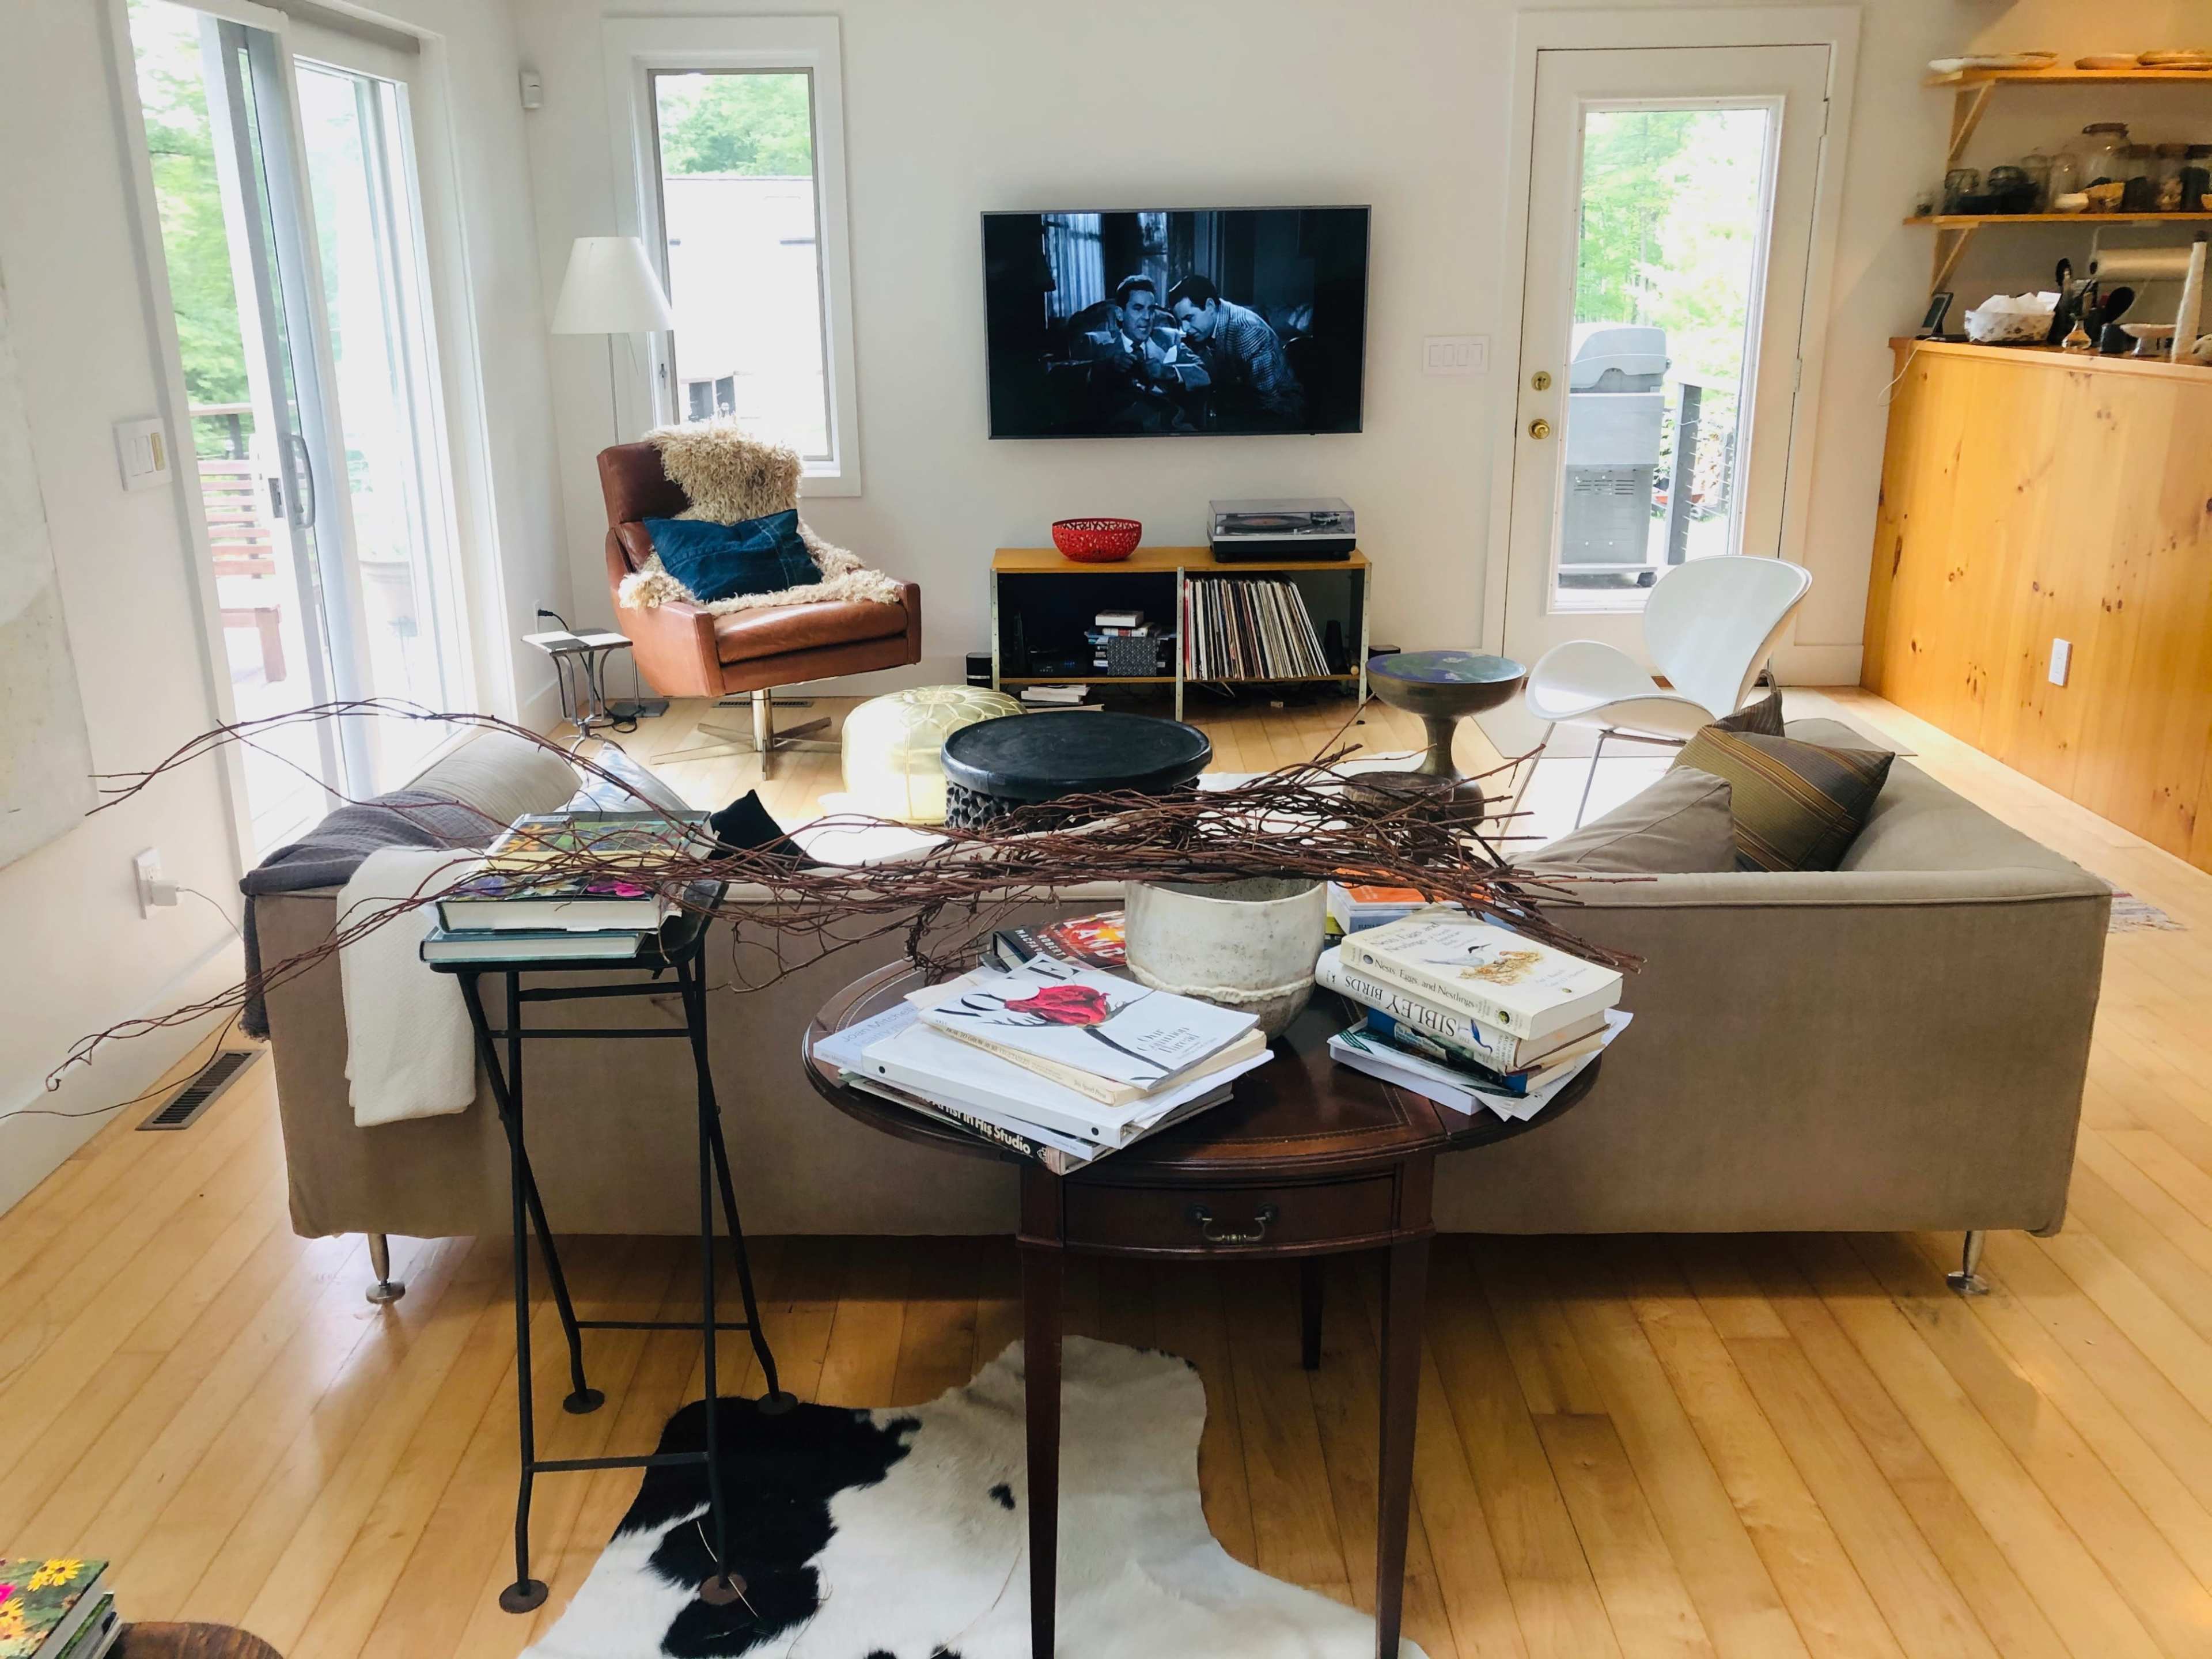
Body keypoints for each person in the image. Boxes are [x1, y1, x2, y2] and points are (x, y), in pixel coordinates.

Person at [1073, 276, 1209, 431]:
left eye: (1151, 310)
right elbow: (1064, 379)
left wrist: (1168, 372)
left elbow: (1205, 372)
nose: (1146, 317)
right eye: (1138, 309)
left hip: (1167, 431)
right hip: (1114, 435)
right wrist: (1106, 366)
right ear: (1119, 314)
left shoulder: (1169, 339)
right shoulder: (1095, 343)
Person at [1168, 274, 1306, 426]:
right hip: (1243, 403)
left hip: (1281, 415)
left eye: (1189, 318)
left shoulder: (1247, 331)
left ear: (1210, 306)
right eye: (1181, 321)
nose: (1185, 329)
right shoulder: (1211, 321)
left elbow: (1270, 402)